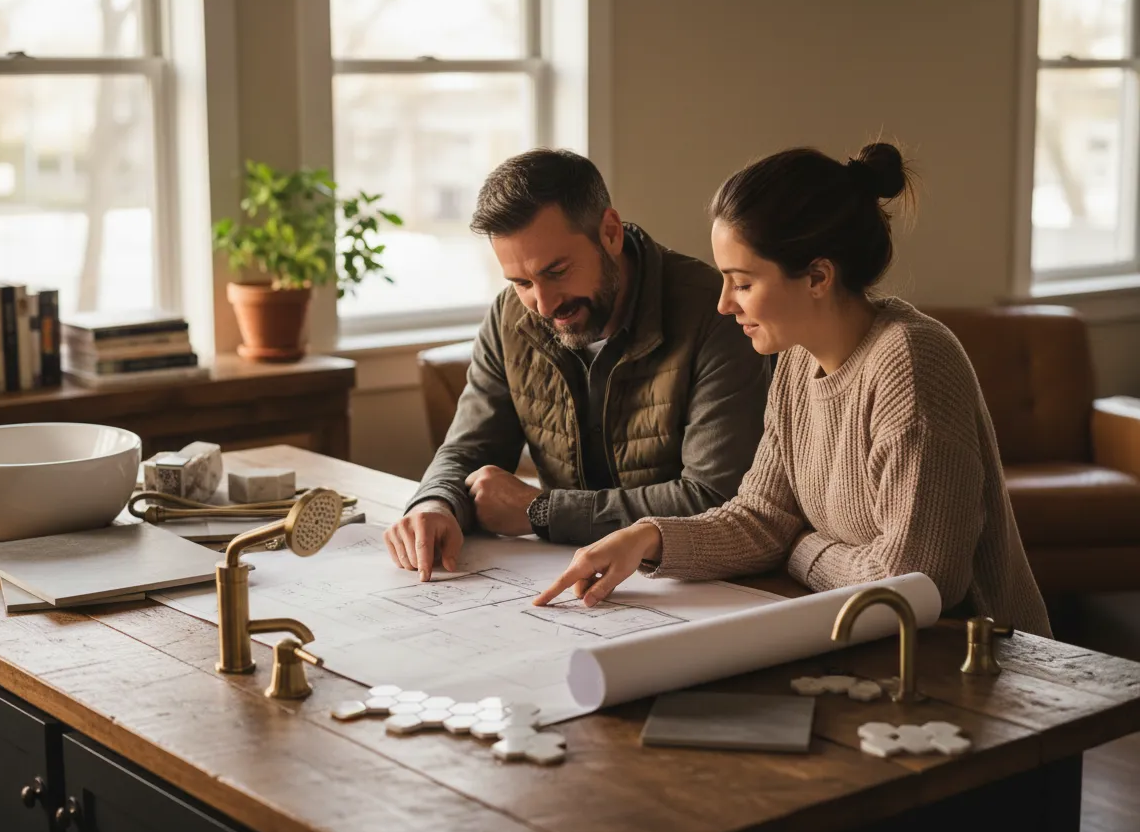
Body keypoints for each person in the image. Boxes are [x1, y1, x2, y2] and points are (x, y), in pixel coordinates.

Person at [533, 142, 1052, 637]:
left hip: (978, 657)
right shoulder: (797, 361)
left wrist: (801, 548)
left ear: (818, 276)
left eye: (742, 282)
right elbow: (763, 518)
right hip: (872, 640)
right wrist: (646, 538)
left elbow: (916, 583)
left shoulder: (910, 362)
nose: (723, 304)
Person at [385, 149, 771, 581]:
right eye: (522, 283)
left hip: (699, 583)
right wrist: (434, 503)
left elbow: (715, 497)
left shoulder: (714, 314)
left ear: (609, 232)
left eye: (557, 271)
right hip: (565, 581)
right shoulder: (511, 316)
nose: (544, 304)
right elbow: (468, 451)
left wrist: (542, 512)